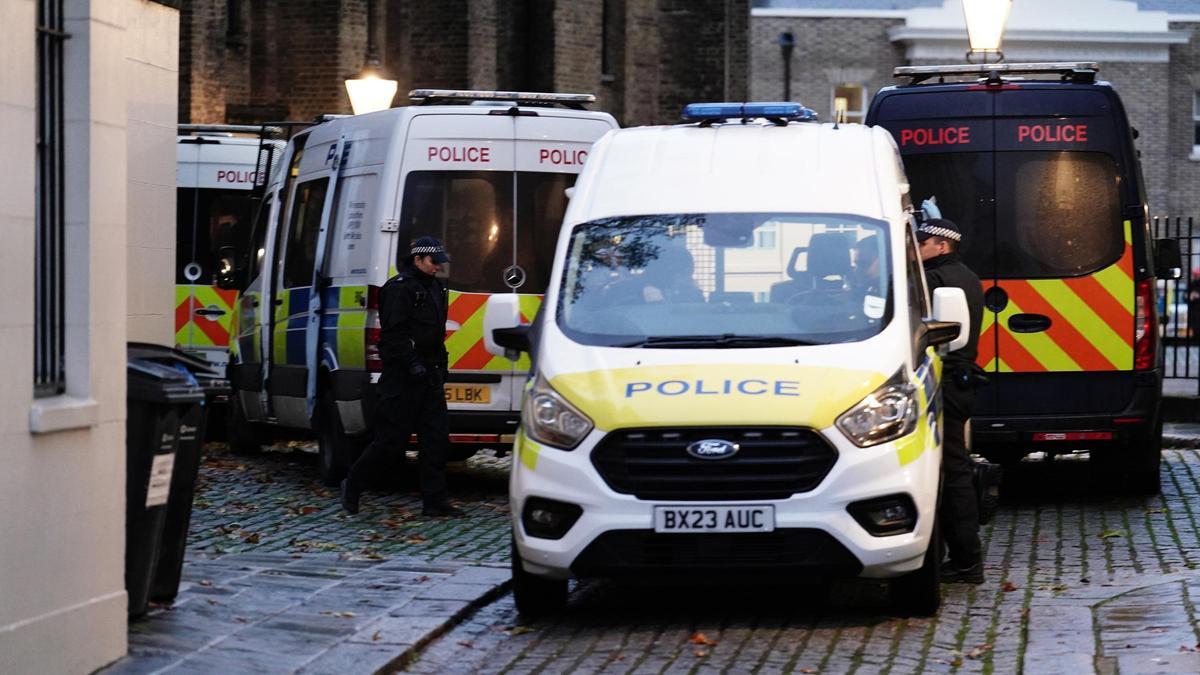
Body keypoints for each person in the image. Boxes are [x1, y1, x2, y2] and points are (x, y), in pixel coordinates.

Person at [340, 236, 462, 518]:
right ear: (417, 260)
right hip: (402, 378)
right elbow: (393, 336)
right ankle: (354, 483)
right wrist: (411, 364)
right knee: (390, 443)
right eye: (433, 261)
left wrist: (440, 365)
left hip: (429, 375)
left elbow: (435, 334)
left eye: (440, 262)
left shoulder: (435, 287)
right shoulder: (399, 288)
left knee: (436, 440)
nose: (438, 267)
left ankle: (435, 501)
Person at [917, 217, 986, 584]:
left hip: (944, 382)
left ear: (942, 245)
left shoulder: (934, 280)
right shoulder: (968, 276)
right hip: (960, 380)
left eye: (922, 242)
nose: (917, 248)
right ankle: (960, 557)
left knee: (951, 470)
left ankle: (966, 561)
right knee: (951, 468)